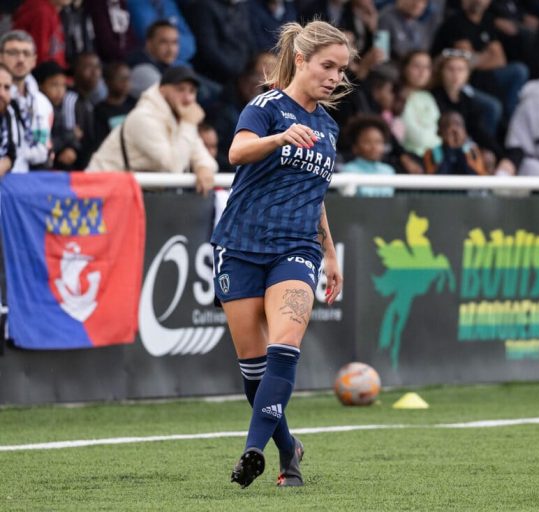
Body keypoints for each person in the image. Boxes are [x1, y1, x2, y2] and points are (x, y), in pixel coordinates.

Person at [210, 20, 352, 489]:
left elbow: (315, 194)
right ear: (302, 60)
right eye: (327, 66)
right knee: (252, 366)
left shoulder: (328, 127)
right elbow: (237, 151)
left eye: (341, 69)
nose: (334, 77)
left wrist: (329, 253)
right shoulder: (266, 106)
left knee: (284, 346)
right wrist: (278, 138)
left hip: (296, 248)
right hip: (241, 246)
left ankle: (253, 449)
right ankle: (289, 450)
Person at [86, 65, 216, 194]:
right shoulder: (143, 117)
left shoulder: (181, 120)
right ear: (162, 90)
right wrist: (189, 124)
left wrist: (203, 167)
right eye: (180, 90)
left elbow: (204, 157)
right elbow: (173, 167)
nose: (188, 98)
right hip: (98, 193)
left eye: (192, 91)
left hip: (126, 194)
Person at [0, 30, 54, 172]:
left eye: (26, 53)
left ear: (34, 60)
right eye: (13, 53)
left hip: (27, 185)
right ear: (0, 57)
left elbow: (45, 148)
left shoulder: (43, 104)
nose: (20, 59)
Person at [340, 114, 396, 197]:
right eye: (367, 142)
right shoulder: (348, 171)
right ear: (355, 147)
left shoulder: (389, 171)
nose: (374, 147)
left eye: (378, 142)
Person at [424, 111, 488, 175]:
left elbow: (477, 177)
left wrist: (460, 150)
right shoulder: (432, 153)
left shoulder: (472, 151)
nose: (454, 130)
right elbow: (435, 178)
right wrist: (450, 149)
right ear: (439, 132)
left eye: (458, 125)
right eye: (447, 125)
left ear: (465, 131)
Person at [0, 63, 17, 176]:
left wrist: (5, 163)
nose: (1, 93)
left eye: (6, 87)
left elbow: (11, 153)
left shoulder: (7, 115)